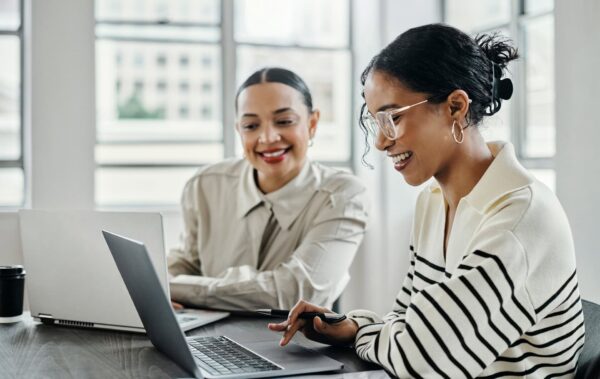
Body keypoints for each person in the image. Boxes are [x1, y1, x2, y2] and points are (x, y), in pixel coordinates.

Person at [269, 24, 584, 377]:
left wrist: (367, 334)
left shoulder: (519, 218)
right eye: (376, 122)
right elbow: (406, 320)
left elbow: (422, 361)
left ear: (455, 106)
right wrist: (353, 327)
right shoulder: (432, 202)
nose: (381, 142)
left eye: (394, 118)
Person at [168, 67, 369, 311]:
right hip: (210, 339)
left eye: (284, 121)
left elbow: (297, 293)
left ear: (312, 123)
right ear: (238, 131)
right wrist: (157, 287)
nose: (268, 137)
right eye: (251, 126)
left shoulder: (343, 194)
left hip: (297, 346)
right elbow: (186, 263)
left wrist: (176, 287)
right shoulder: (205, 185)